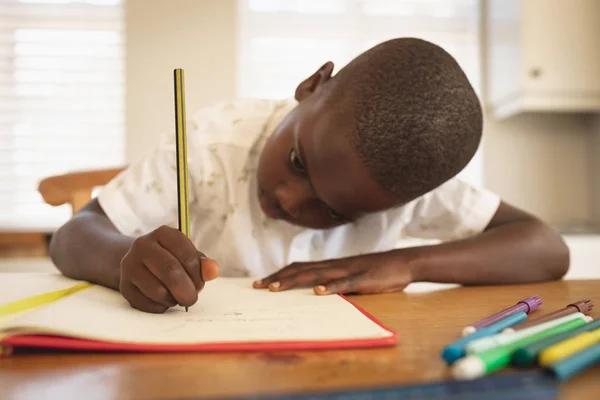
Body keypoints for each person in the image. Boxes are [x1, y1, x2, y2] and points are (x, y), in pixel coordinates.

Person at [49, 38, 569, 313]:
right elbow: (74, 235)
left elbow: (546, 247)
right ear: (311, 86)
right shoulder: (211, 142)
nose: (293, 201)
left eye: (336, 212)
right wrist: (125, 261)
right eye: (299, 161)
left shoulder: (402, 182)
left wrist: (407, 263)